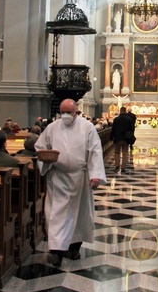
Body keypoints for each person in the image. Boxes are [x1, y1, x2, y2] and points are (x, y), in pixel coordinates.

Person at [34, 99, 106, 266]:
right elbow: (40, 146)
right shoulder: (52, 127)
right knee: (56, 214)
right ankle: (56, 251)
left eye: (69, 112)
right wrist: (46, 159)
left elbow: (95, 151)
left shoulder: (87, 128)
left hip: (80, 179)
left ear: (77, 112)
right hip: (58, 177)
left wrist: (95, 175)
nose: (65, 116)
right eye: (63, 112)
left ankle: (74, 248)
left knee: (79, 215)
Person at [111, 106, 135, 174]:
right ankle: (123, 167)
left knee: (117, 152)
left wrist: (111, 137)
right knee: (125, 152)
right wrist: (131, 136)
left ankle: (117, 166)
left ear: (120, 111)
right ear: (125, 111)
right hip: (126, 138)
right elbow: (132, 129)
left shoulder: (116, 119)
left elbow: (113, 129)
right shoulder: (129, 119)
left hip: (117, 138)